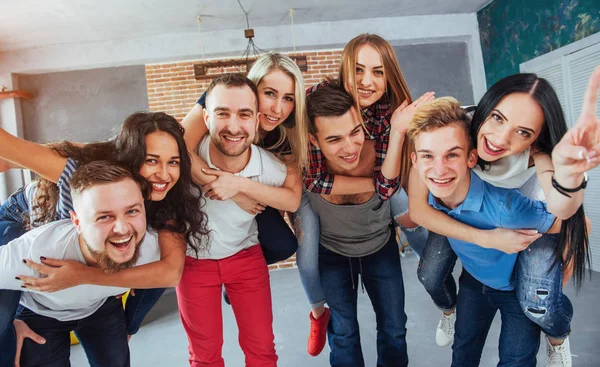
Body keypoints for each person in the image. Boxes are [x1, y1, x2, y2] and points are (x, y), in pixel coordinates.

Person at [407, 71, 598, 366]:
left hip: (521, 233)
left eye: (523, 132)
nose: (499, 138)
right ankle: (449, 311)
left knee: (537, 308)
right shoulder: (452, 132)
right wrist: (488, 238)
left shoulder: (535, 165)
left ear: (536, 139)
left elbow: (564, 211)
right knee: (431, 275)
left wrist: (570, 179)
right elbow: (418, 209)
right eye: (497, 117)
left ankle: (557, 333)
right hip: (478, 254)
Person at [0, 111, 208, 366]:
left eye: (173, 162)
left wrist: (85, 276)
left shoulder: (168, 201)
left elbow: (169, 272)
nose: (163, 174)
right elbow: (10, 147)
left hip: (87, 284)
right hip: (21, 216)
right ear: (130, 159)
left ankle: (127, 327)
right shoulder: (84, 173)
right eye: (151, 160)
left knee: (148, 272)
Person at [297, 33, 432, 356]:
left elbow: (388, 188)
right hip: (330, 243)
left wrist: (397, 134)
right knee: (341, 328)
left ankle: (439, 278)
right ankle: (317, 311)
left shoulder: (389, 115)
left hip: (377, 241)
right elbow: (316, 179)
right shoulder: (316, 101)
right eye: (358, 70)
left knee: (394, 326)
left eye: (377, 72)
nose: (366, 81)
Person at [176, 73, 293, 366]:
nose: (233, 126)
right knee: (204, 356)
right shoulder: (184, 162)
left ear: (256, 121)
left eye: (243, 115)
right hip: (193, 262)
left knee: (262, 350)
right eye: (222, 114)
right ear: (205, 117)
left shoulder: (271, 169)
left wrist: (240, 187)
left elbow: (291, 198)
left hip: (246, 259)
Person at [0, 161, 161, 366]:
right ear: (77, 222)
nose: (122, 229)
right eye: (104, 217)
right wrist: (9, 324)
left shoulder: (152, 247)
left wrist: (131, 325)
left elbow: (168, 275)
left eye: (132, 211)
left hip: (99, 307)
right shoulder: (37, 254)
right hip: (41, 313)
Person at [180, 53, 309, 275]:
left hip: (249, 190)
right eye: (270, 94)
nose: (277, 109)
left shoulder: (286, 135)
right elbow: (180, 148)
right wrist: (232, 191)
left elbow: (291, 199)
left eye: (288, 98)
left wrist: (241, 187)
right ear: (252, 88)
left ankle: (237, 278)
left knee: (283, 245)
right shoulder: (221, 98)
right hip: (201, 181)